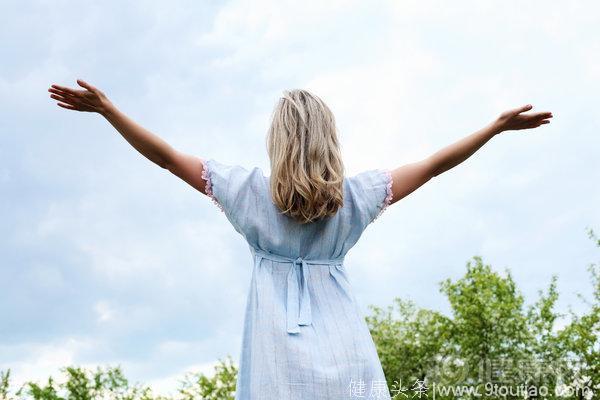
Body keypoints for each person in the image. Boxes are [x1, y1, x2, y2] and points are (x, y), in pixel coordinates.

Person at [47, 79, 553, 399]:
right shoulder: (355, 199)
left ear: (276, 141)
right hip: (348, 355)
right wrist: (493, 128)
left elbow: (164, 156)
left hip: (277, 367)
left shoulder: (246, 195)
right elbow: (434, 166)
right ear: (330, 139)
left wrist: (110, 112)